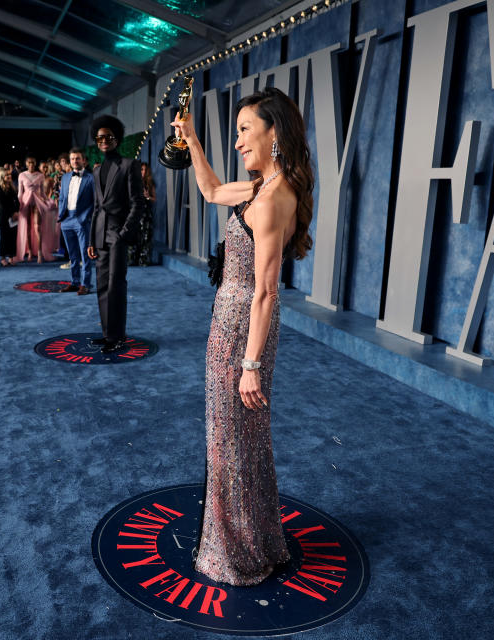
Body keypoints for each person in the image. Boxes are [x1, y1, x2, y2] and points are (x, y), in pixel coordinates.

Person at [170, 87, 314, 586]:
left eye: (244, 131)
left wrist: (251, 365)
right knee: (235, 442)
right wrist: (191, 140)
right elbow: (210, 191)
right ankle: (256, 541)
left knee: (234, 443)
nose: (238, 142)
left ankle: (238, 554)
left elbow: (268, 293)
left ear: (275, 134)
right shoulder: (258, 188)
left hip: (242, 336)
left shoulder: (274, 198)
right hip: (228, 325)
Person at [87, 115, 146, 353]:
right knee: (101, 286)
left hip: (117, 235)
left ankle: (117, 336)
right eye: (100, 137)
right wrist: (91, 238)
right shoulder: (97, 169)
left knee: (116, 285)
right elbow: (95, 207)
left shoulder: (129, 165)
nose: (104, 141)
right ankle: (108, 334)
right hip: (100, 234)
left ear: (116, 139)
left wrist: (123, 233)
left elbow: (138, 203)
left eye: (108, 137)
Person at [57, 148, 94, 294]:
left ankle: (85, 284)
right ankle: (74, 282)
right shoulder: (65, 177)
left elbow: (95, 201)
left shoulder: (91, 178)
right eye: (72, 159)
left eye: (77, 158)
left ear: (83, 160)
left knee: (85, 255)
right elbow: (62, 198)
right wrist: (61, 215)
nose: (75, 161)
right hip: (66, 220)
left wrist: (85, 216)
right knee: (72, 255)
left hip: (81, 220)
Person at [128, 161, 156, 266]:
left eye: (144, 170)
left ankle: (143, 260)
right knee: (133, 236)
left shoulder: (150, 183)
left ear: (147, 171)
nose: (142, 172)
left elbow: (154, 199)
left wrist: (148, 196)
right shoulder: (132, 182)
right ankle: (131, 259)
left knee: (145, 237)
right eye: (140, 169)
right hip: (134, 213)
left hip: (145, 214)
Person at [16, 156, 43, 262]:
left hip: (37, 201)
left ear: (35, 163)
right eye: (29, 162)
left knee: (37, 227)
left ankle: (40, 252)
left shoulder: (40, 176)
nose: (31, 164)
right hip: (25, 201)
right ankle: (30, 251)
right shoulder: (22, 175)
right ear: (26, 164)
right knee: (27, 227)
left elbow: (43, 193)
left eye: (32, 162)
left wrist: (48, 202)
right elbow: (20, 192)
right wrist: (18, 204)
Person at [0, 169, 19, 267]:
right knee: (4, 238)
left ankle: (11, 257)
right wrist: (12, 214)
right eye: (6, 175)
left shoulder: (13, 187)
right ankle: (3, 258)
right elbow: (3, 203)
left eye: (9, 175)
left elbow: (17, 201)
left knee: (13, 237)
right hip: (4, 216)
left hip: (14, 216)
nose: (9, 177)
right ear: (1, 177)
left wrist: (16, 212)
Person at [34, 174, 59, 262]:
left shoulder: (53, 192)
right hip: (38, 208)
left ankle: (43, 251)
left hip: (48, 213)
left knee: (45, 230)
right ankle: (39, 253)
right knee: (38, 228)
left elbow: (53, 201)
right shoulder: (39, 189)